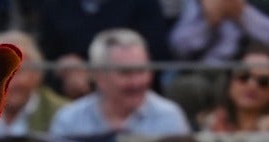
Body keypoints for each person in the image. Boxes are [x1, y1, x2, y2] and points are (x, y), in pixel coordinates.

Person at [47, 28, 191, 138]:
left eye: (141, 71)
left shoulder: (169, 117)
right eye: (126, 73)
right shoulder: (70, 120)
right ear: (99, 76)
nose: (137, 82)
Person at [36, 0, 175, 98]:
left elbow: (158, 56)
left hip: (135, 96)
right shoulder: (54, 5)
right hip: (67, 95)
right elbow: (44, 60)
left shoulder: (142, 4)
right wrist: (62, 69)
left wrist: (91, 75)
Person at [0, 31, 68, 135]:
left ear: (37, 74)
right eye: (1, 75)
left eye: (18, 73)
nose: (11, 84)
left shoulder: (63, 114)